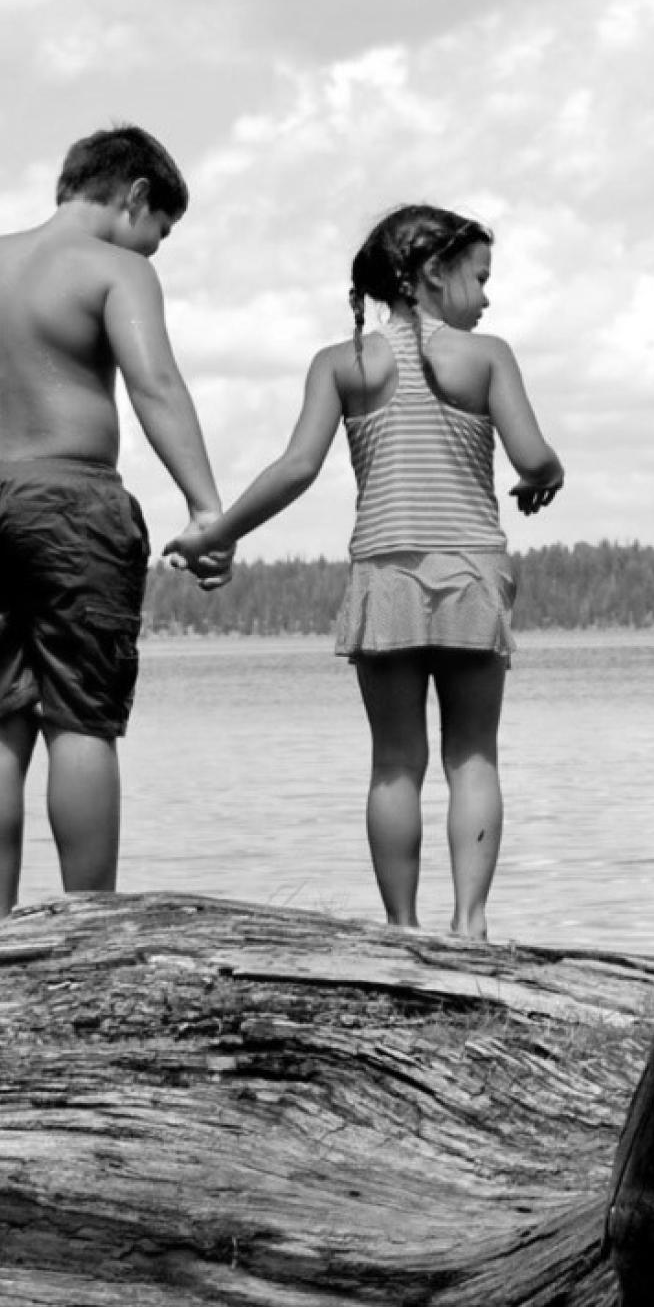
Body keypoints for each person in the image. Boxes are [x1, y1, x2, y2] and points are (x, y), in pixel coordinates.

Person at [164, 204, 564, 939]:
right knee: (473, 757)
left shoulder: (340, 364)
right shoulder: (487, 357)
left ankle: (401, 930)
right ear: (432, 274)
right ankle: (470, 924)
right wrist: (548, 474)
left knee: (395, 763)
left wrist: (217, 534)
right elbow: (532, 456)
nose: (487, 296)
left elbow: (296, 468)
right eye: (479, 278)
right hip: (471, 575)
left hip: (385, 578)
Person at [0, 124, 224, 924]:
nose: (157, 248)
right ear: (135, 194)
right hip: (70, 499)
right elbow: (156, 385)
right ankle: (88, 928)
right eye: (161, 229)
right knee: (80, 716)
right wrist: (206, 507)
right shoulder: (116, 269)